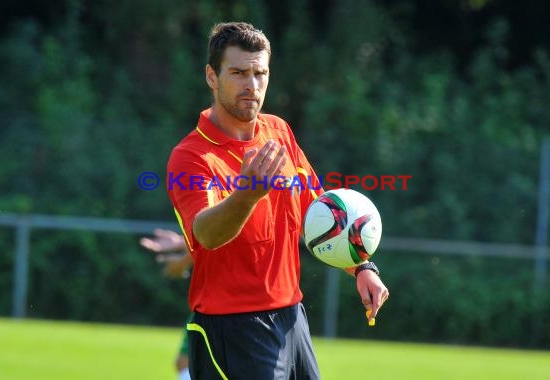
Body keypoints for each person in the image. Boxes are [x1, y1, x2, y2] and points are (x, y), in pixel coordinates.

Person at [166, 22, 389, 380]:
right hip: (232, 329)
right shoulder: (191, 157)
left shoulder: (278, 132)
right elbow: (206, 233)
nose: (251, 85)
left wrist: (360, 267)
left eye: (260, 73)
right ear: (212, 76)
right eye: (238, 73)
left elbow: (319, 215)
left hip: (291, 319)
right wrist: (247, 194)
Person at [140, 229, 193, 380]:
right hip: (217, 298)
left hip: (226, 299)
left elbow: (221, 239)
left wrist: (183, 262)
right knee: (185, 363)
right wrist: (182, 243)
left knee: (186, 363)